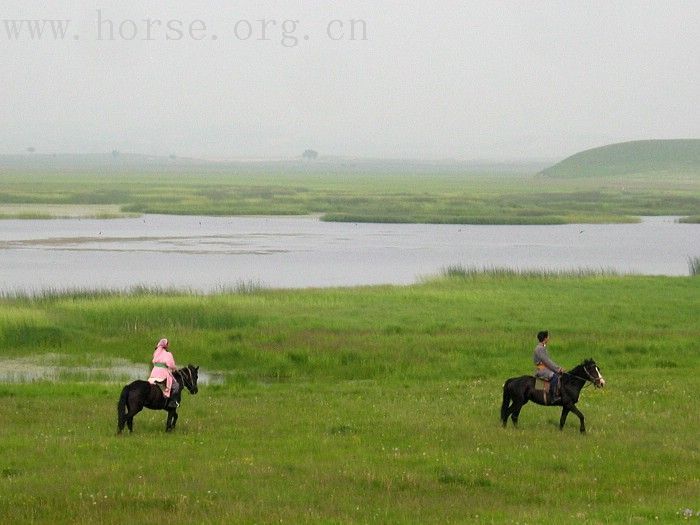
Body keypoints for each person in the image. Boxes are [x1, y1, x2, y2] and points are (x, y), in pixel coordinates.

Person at [148, 338, 180, 408]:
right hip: (163, 373)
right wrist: (174, 369)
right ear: (166, 345)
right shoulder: (168, 354)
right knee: (176, 386)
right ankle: (172, 402)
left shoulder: (156, 352)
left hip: (154, 372)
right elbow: (171, 365)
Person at [533, 330, 564, 402]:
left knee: (559, 375)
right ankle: (553, 397)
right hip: (541, 370)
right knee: (555, 377)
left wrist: (558, 368)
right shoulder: (540, 348)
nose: (549, 338)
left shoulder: (542, 347)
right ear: (545, 338)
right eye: (548, 337)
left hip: (545, 368)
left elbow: (548, 361)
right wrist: (558, 369)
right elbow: (547, 362)